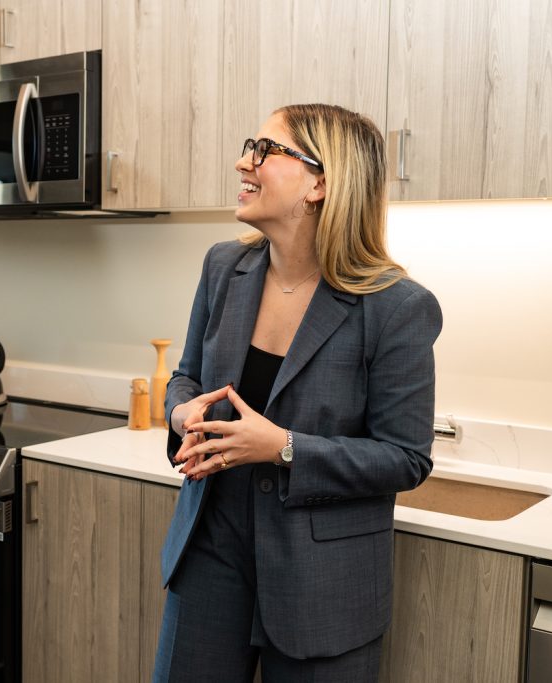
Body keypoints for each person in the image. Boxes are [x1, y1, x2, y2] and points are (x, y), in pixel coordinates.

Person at [152, 104, 443, 682]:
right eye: (247, 146)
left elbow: (407, 457)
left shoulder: (397, 307)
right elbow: (186, 377)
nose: (243, 161)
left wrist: (283, 446)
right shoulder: (223, 267)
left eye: (264, 150)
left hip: (324, 584)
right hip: (210, 551)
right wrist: (182, 412)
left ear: (321, 182)